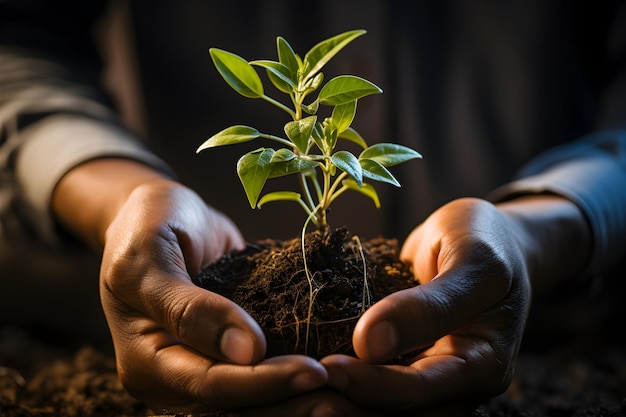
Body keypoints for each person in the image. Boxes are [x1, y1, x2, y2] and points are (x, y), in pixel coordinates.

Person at [1, 1, 625, 416]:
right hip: (86, 325)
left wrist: (542, 229)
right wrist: (123, 200)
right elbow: (17, 41)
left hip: (565, 337)